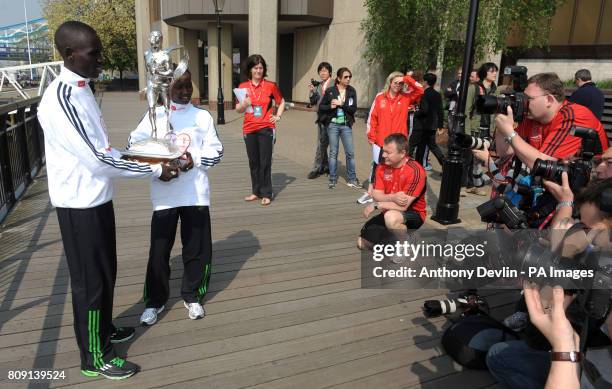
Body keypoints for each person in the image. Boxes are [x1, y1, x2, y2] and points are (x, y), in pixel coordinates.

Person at [37, 20, 179, 380]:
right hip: (79, 205)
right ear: (70, 54)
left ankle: (102, 330)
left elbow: (106, 149)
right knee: (91, 282)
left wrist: (145, 155)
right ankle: (94, 356)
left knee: (105, 272)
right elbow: (98, 159)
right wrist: (154, 169)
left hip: (97, 200)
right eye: (93, 53)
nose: (101, 58)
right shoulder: (62, 98)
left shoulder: (84, 88)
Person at [128, 69, 223, 326]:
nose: (184, 91)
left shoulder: (202, 116)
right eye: (178, 86)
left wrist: (196, 159)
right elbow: (133, 146)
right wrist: (157, 168)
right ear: (166, 88)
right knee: (159, 252)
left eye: (188, 86)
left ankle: (192, 296)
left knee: (197, 250)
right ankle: (155, 301)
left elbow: (217, 151)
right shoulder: (155, 115)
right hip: (164, 196)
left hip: (195, 195)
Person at [496, 72, 609, 171]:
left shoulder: (574, 116)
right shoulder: (533, 116)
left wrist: (510, 132)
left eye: (528, 99)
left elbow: (543, 164)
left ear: (549, 100)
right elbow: (505, 152)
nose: (524, 103)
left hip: (592, 186)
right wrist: (502, 125)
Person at [357, 71, 424, 204]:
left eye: (401, 83)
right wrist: (371, 136)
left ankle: (394, 194)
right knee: (378, 166)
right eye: (395, 82)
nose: (398, 85)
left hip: (399, 142)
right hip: (382, 140)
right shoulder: (380, 97)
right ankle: (372, 192)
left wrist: (406, 78)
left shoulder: (406, 98)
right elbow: (372, 118)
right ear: (390, 82)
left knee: (398, 166)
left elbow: (420, 90)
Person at [358, 134, 426, 250]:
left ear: (402, 153)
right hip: (387, 211)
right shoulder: (382, 166)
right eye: (383, 151)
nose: (384, 155)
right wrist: (393, 197)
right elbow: (376, 194)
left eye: (388, 153)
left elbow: (403, 206)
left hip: (413, 213)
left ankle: (405, 244)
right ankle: (394, 241)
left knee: (391, 218)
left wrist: (377, 205)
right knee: (362, 242)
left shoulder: (415, 171)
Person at [236, 54, 285, 206]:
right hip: (249, 128)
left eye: (261, 68)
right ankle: (256, 191)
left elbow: (281, 101)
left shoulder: (270, 85)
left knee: (265, 162)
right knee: (253, 162)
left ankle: (267, 193)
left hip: (266, 128)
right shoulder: (243, 87)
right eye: (255, 68)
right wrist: (244, 104)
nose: (258, 70)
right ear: (250, 70)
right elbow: (238, 109)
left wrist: (277, 116)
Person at [319, 67, 360, 189]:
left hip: (346, 125)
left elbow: (353, 109)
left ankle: (352, 179)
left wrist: (341, 104)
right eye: (346, 77)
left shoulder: (351, 91)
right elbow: (322, 107)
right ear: (339, 78)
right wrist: (331, 107)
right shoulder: (331, 91)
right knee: (333, 152)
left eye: (349, 77)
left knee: (350, 153)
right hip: (333, 125)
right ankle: (332, 179)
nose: (348, 79)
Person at [463, 62, 498, 196]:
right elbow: (466, 110)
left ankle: (475, 185)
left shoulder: (496, 90)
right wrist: (466, 133)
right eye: (491, 71)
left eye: (495, 71)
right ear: (484, 73)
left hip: (487, 128)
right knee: (467, 158)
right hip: (474, 128)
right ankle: (463, 185)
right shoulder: (474, 88)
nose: (494, 73)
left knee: (479, 158)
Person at [410, 72, 446, 169]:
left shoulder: (425, 94)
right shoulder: (437, 94)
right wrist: (440, 125)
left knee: (413, 145)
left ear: (425, 82)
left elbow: (424, 110)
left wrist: (415, 112)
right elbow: (440, 111)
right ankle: (445, 164)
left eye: (422, 81)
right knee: (431, 146)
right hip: (432, 126)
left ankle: (413, 166)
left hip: (422, 125)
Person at [307, 61, 333, 179]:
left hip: (332, 119)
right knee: (321, 142)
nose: (322, 73)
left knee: (328, 143)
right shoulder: (318, 85)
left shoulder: (334, 84)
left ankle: (319, 167)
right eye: (320, 71)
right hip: (321, 118)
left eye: (325, 70)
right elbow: (313, 102)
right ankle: (323, 166)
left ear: (330, 72)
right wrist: (312, 91)